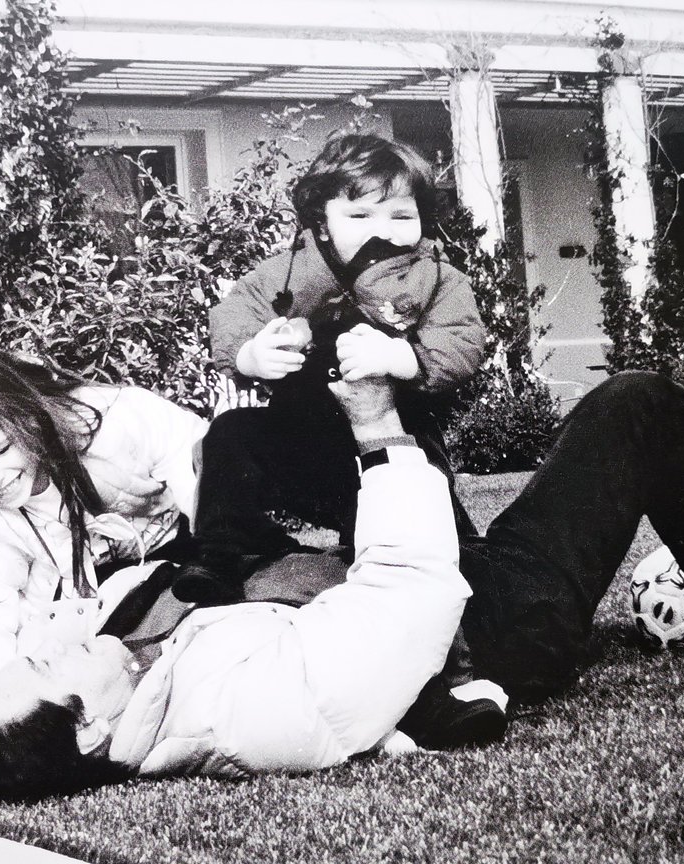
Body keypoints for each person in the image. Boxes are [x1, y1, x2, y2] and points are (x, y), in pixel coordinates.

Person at [0, 370, 684, 802]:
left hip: (377, 558)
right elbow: (411, 595)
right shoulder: (247, 710)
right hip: (490, 616)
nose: (55, 644)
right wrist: (379, 436)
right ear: (89, 726)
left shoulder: (123, 661)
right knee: (637, 405)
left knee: (250, 434)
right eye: (48, 666)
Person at [173, 132, 484, 603]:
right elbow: (236, 313)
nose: (383, 231)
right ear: (321, 222)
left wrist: (402, 358)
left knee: (414, 532)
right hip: (299, 438)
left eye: (401, 215)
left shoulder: (436, 277)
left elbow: (461, 341)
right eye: (360, 215)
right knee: (230, 433)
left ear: (423, 218)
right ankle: (219, 554)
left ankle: (459, 558)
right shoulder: (289, 273)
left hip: (395, 442)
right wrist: (250, 354)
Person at [0, 347, 208, 699]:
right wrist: (5, 706)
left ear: (29, 418)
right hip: (97, 591)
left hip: (186, 546)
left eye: (2, 450)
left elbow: (206, 485)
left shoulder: (115, 420)